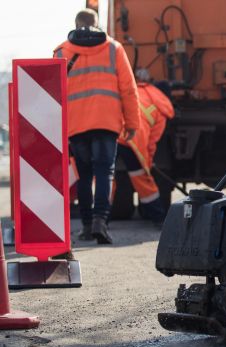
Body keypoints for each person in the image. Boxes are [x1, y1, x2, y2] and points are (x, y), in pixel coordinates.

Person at [55, 8, 139, 244]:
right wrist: (132, 123)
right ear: (97, 23)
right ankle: (101, 222)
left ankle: (86, 225)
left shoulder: (61, 52)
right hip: (106, 123)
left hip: (76, 126)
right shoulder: (114, 49)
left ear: (76, 23)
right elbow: (129, 89)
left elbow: (54, 94)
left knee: (84, 176)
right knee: (104, 173)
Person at [116, 69, 174, 226]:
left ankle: (100, 220)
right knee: (142, 178)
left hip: (112, 132)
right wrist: (148, 162)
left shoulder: (139, 91)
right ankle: (158, 217)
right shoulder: (162, 110)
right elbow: (151, 143)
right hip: (131, 139)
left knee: (106, 177)